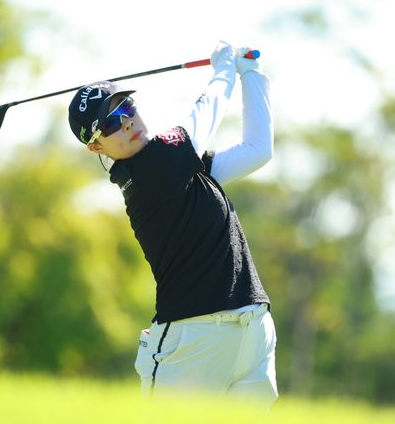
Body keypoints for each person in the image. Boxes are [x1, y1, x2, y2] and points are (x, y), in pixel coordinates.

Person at [67, 41, 277, 404]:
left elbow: (258, 151)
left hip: (250, 328)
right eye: (111, 123)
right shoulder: (151, 169)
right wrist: (224, 71)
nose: (127, 122)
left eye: (127, 108)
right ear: (97, 147)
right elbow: (203, 118)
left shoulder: (176, 167)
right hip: (195, 336)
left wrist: (251, 75)